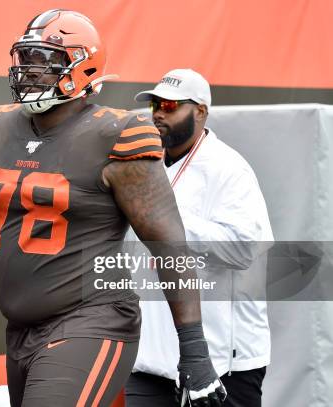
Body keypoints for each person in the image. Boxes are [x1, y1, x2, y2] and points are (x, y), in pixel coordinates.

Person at [0, 10, 225, 407]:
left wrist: (193, 348)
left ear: (84, 67)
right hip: (20, 331)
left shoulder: (117, 133)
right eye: (27, 59)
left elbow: (169, 245)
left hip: (93, 321)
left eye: (46, 62)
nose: (29, 71)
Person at [125, 69, 273, 407]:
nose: (159, 113)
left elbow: (242, 249)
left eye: (170, 105)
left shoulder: (228, 168)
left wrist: (166, 223)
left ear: (201, 111)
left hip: (223, 359)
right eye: (155, 105)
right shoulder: (145, 165)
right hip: (152, 356)